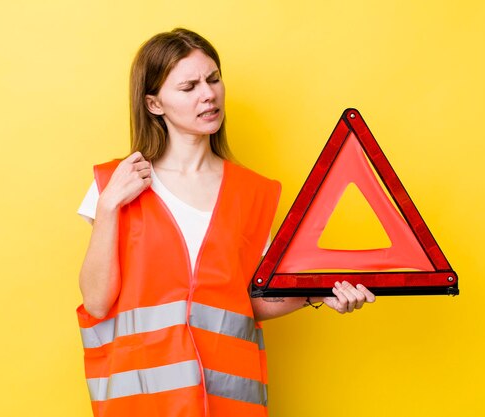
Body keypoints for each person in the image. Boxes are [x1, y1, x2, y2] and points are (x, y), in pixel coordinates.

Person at [76, 28, 375, 417]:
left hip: (229, 405)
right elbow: (98, 302)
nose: (208, 94)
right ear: (154, 103)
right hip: (142, 407)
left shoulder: (253, 192)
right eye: (189, 87)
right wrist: (109, 207)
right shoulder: (115, 184)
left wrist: (319, 294)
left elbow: (247, 301)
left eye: (214, 79)